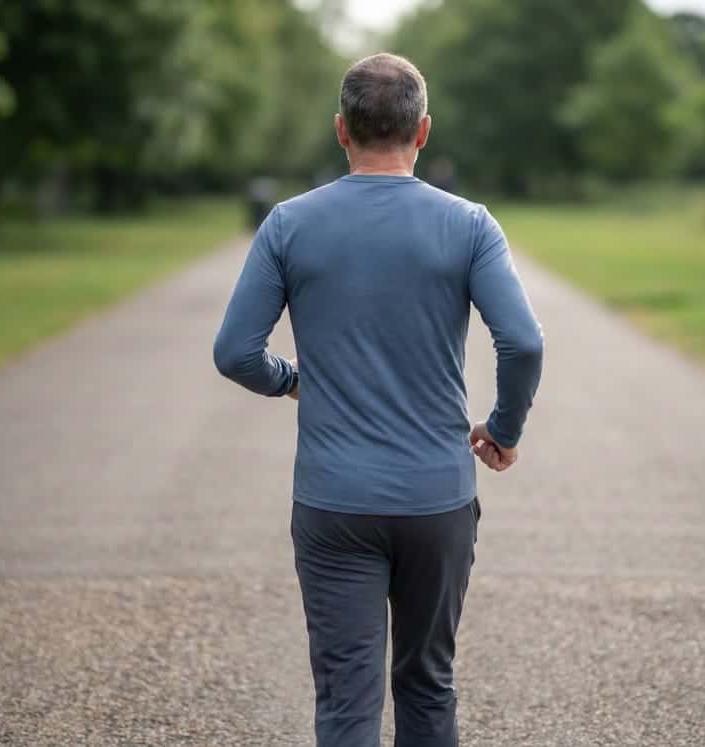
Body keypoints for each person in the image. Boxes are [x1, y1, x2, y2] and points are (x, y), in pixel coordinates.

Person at [214, 53, 544, 747]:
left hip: (334, 502)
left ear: (342, 130)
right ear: (422, 132)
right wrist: (504, 429)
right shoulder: (470, 225)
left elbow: (236, 351)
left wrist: (294, 379)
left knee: (345, 697)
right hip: (438, 498)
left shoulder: (288, 225)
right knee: (428, 685)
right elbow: (523, 343)